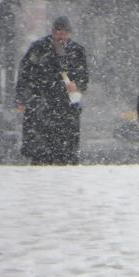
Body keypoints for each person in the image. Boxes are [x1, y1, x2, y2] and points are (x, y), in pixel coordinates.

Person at [15, 16, 88, 165]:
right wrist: (22, 99)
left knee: (66, 152)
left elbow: (83, 77)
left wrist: (77, 86)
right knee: (40, 152)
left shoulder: (77, 51)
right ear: (53, 32)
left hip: (66, 106)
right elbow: (25, 75)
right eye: (58, 31)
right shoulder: (38, 49)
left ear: (70, 33)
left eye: (65, 32)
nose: (61, 36)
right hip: (41, 104)